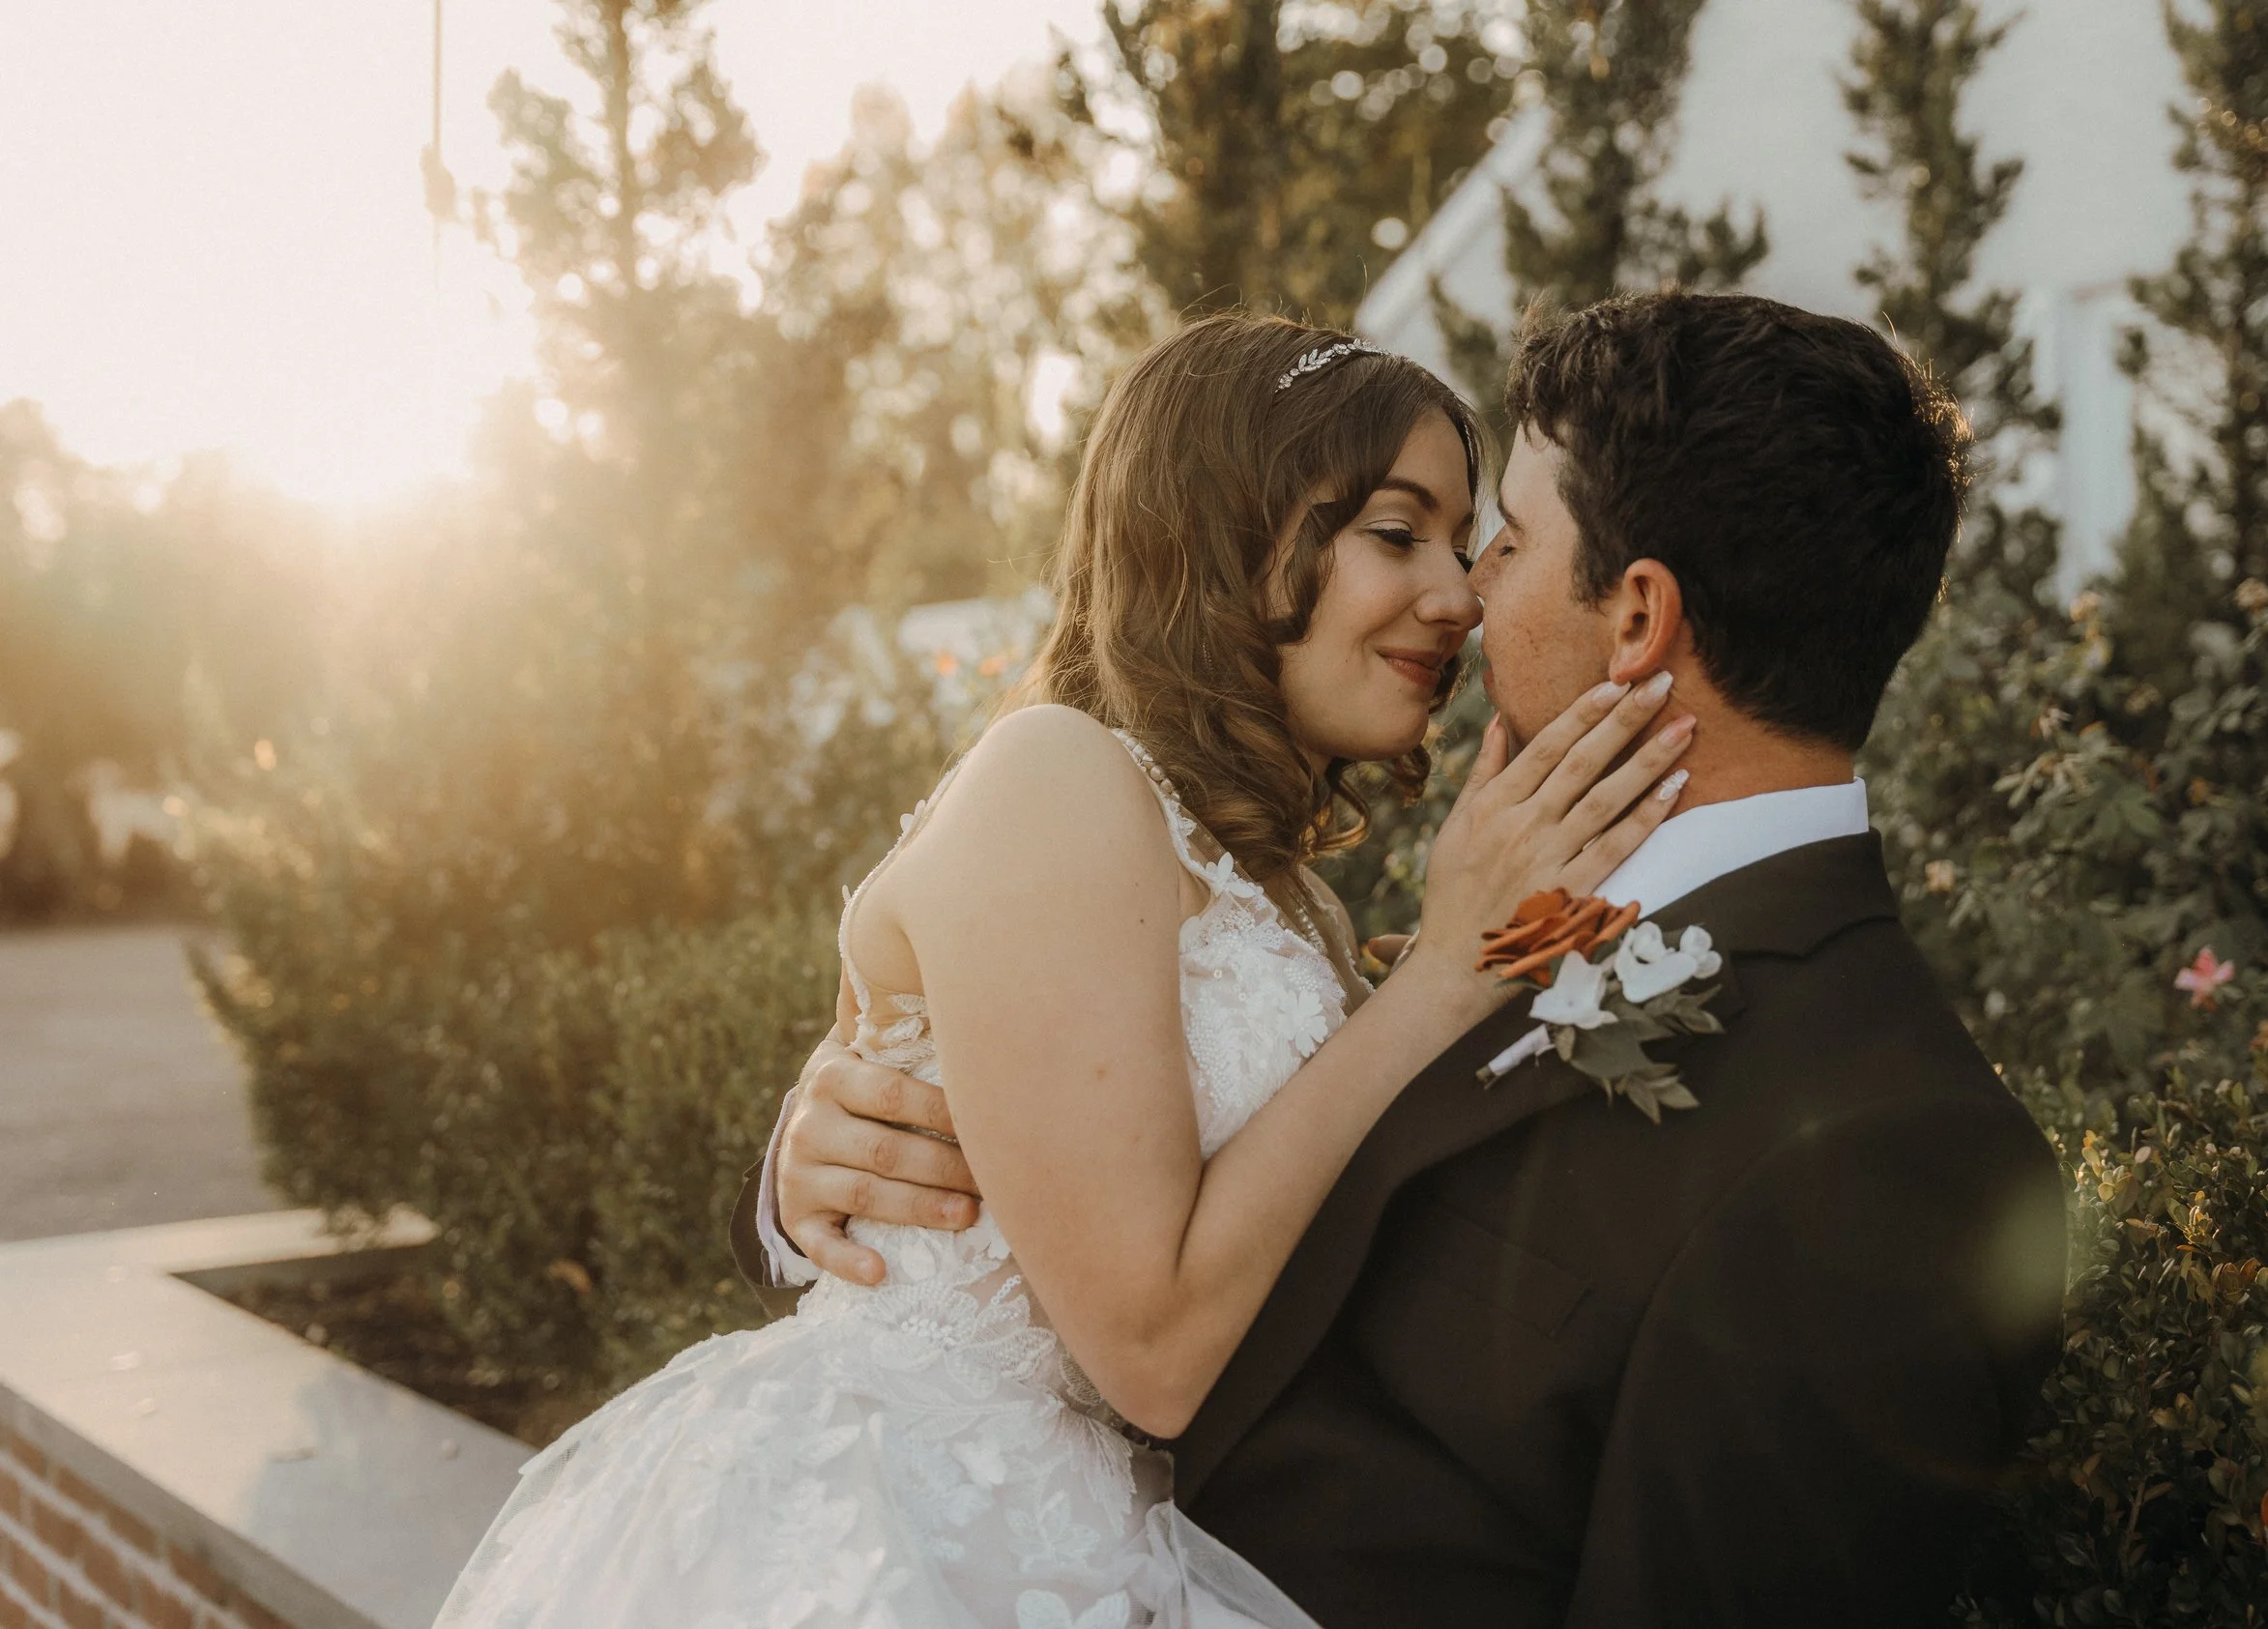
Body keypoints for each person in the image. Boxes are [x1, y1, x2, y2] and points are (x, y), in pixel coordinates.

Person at [739, 292, 2071, 1627]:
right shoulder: (1483, 908)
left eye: (1502, 540)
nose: (1464, 594)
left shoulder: (1881, 1147)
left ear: (1639, 618)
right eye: (1410, 535)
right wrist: (802, 1192)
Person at [433, 313, 1694, 1629]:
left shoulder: (1295, 901)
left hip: (1151, 1536)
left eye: (1463, 538)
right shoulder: (1058, 776)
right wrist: (1444, 973)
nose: (1458, 591)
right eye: (1396, 531)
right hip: (918, 1546)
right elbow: (1147, 1349)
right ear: (1223, 536)